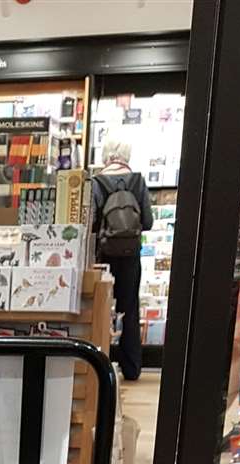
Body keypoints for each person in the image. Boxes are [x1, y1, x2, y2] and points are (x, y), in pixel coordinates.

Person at [92, 135, 154, 382]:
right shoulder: (137, 182)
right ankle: (131, 367)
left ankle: (100, 363)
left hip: (103, 255)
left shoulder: (98, 182)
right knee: (129, 308)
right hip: (130, 258)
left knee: (101, 307)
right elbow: (147, 222)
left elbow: (93, 222)